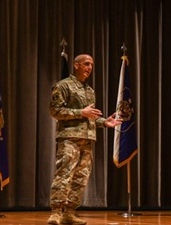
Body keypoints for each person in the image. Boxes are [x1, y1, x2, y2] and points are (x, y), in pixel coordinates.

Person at [48, 54, 122, 225]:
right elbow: (55, 111)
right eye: (86, 64)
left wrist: (105, 122)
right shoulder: (63, 85)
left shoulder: (89, 91)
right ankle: (56, 212)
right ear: (76, 65)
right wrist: (81, 112)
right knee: (64, 175)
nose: (89, 67)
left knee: (81, 178)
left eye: (91, 65)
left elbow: (90, 118)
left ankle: (70, 212)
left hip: (87, 139)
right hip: (69, 138)